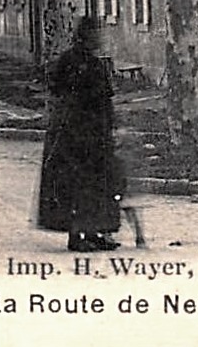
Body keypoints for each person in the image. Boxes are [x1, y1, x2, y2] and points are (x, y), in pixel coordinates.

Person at [37, 16, 125, 252]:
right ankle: (76, 236)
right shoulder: (73, 61)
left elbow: (105, 100)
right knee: (78, 184)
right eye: (96, 33)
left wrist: (110, 127)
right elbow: (59, 90)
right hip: (75, 134)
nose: (101, 38)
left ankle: (94, 231)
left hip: (95, 132)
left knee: (98, 183)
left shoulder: (95, 63)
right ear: (85, 36)